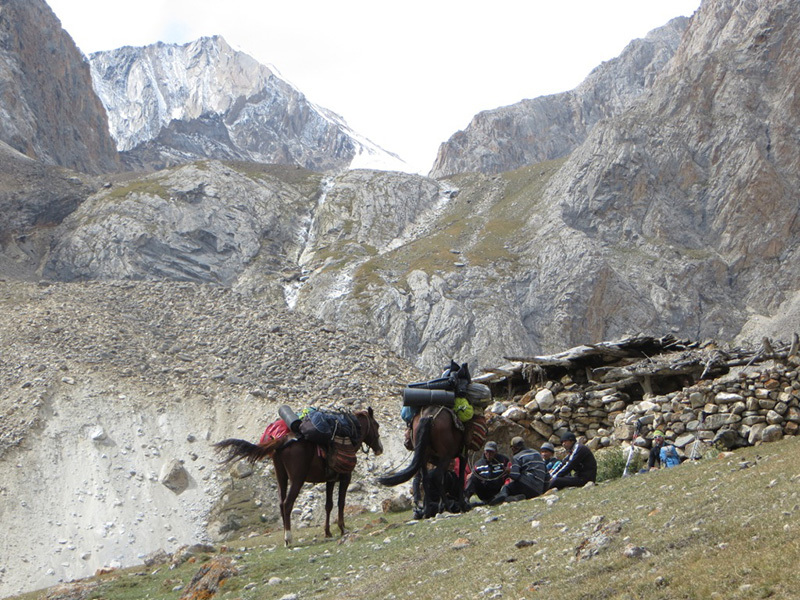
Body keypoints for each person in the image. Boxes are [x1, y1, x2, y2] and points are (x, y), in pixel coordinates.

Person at [489, 437, 547, 504]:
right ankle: (516, 497)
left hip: (526, 486)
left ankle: (501, 499)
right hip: (538, 491)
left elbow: (515, 475)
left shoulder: (517, 457)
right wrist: (542, 491)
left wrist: (508, 471)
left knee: (507, 488)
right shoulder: (537, 453)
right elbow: (546, 475)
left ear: (514, 448)